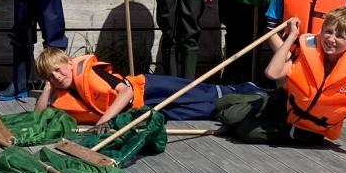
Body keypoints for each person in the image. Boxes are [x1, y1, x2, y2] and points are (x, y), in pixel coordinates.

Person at [227, 7, 346, 166]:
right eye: (328, 32)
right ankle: (246, 102)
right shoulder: (308, 50)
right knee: (228, 112)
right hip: (285, 104)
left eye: (340, 36)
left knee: (245, 131)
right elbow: (272, 73)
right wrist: (292, 36)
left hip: (309, 129)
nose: (331, 39)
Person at [34, 47, 222, 130]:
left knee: (200, 92)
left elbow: (126, 92)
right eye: (50, 76)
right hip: (141, 112)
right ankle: (230, 109)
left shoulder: (91, 72)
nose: (57, 77)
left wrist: (104, 120)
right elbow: (37, 117)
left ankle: (246, 89)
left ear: (69, 62)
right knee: (202, 111)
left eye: (58, 70)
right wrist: (48, 86)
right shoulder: (61, 95)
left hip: (148, 89)